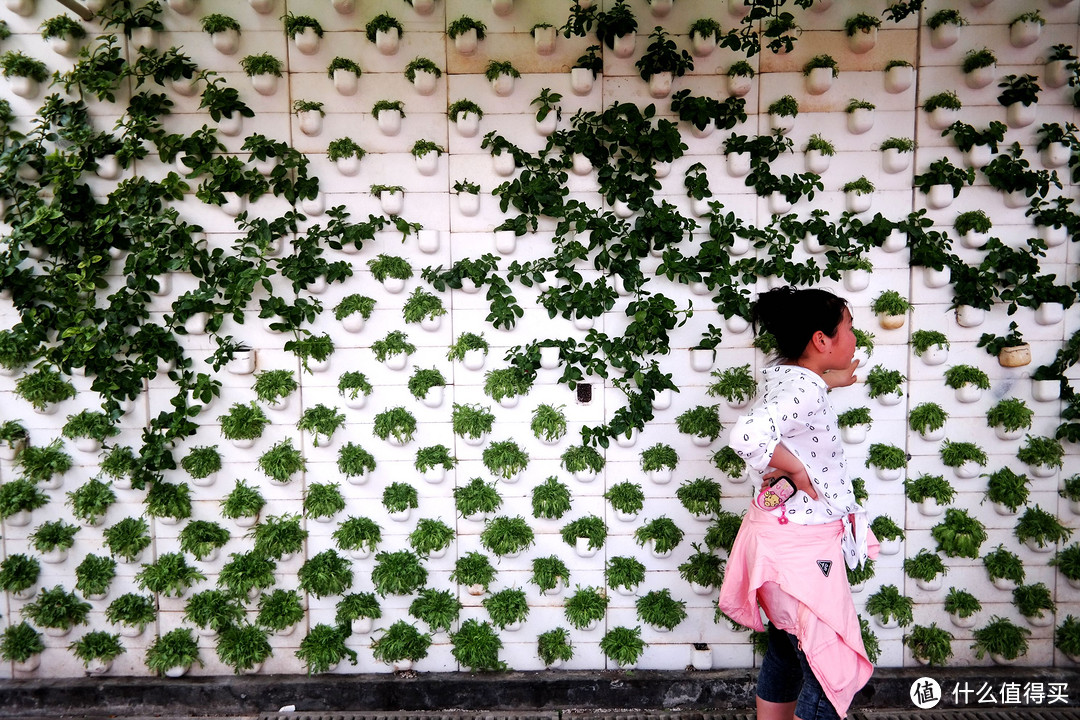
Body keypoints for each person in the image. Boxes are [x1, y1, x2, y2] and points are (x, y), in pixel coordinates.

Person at [717, 286, 878, 720]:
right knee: (829, 670)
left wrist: (829, 380)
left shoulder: (788, 376)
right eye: (848, 329)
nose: (855, 339)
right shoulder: (804, 390)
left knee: (788, 652)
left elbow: (800, 398)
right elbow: (746, 436)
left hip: (775, 544)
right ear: (821, 341)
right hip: (802, 553)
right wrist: (797, 469)